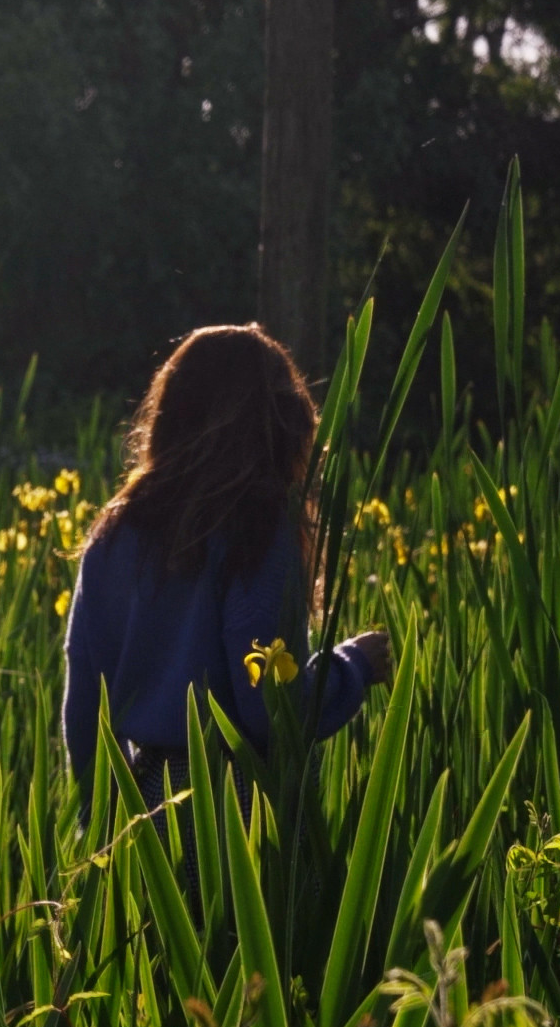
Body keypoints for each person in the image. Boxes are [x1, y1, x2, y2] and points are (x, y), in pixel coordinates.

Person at [59, 323, 391, 797]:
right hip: (238, 801)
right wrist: (354, 666)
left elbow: (85, 700)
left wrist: (102, 827)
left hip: (142, 805)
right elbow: (273, 708)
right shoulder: (255, 529)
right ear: (280, 420)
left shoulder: (114, 532)